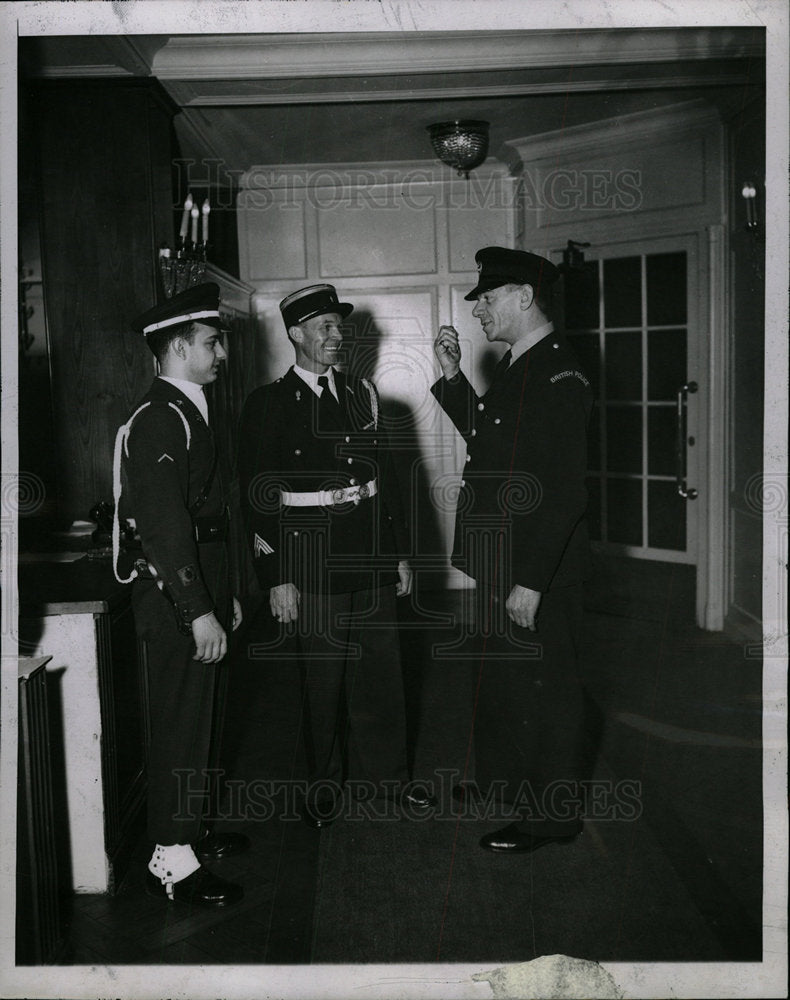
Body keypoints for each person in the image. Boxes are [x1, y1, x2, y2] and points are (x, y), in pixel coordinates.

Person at [237, 283, 432, 827]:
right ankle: (321, 784)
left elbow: (384, 482)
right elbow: (256, 498)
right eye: (323, 326)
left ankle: (390, 780)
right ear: (295, 334)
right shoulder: (268, 405)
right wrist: (275, 575)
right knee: (321, 685)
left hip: (369, 558)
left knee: (381, 678)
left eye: (338, 325)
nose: (335, 335)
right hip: (309, 563)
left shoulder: (362, 395)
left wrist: (396, 555)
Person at [431, 246, 593, 854]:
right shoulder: (524, 365)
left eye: (488, 298)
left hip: (537, 563)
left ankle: (552, 817)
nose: (477, 310)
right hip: (507, 555)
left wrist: (531, 579)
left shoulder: (558, 372)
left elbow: (562, 488)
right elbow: (493, 444)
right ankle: (505, 784)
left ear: (524, 297)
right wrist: (453, 378)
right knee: (506, 677)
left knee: (549, 689)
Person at [113, 282, 248, 906]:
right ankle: (169, 857)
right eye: (211, 342)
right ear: (177, 346)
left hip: (201, 584)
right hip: (176, 597)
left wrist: (225, 596)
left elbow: (212, 515)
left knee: (207, 719)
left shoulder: (187, 407)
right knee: (181, 722)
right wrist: (198, 610)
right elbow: (165, 524)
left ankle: (191, 833)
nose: (221, 353)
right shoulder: (161, 417)